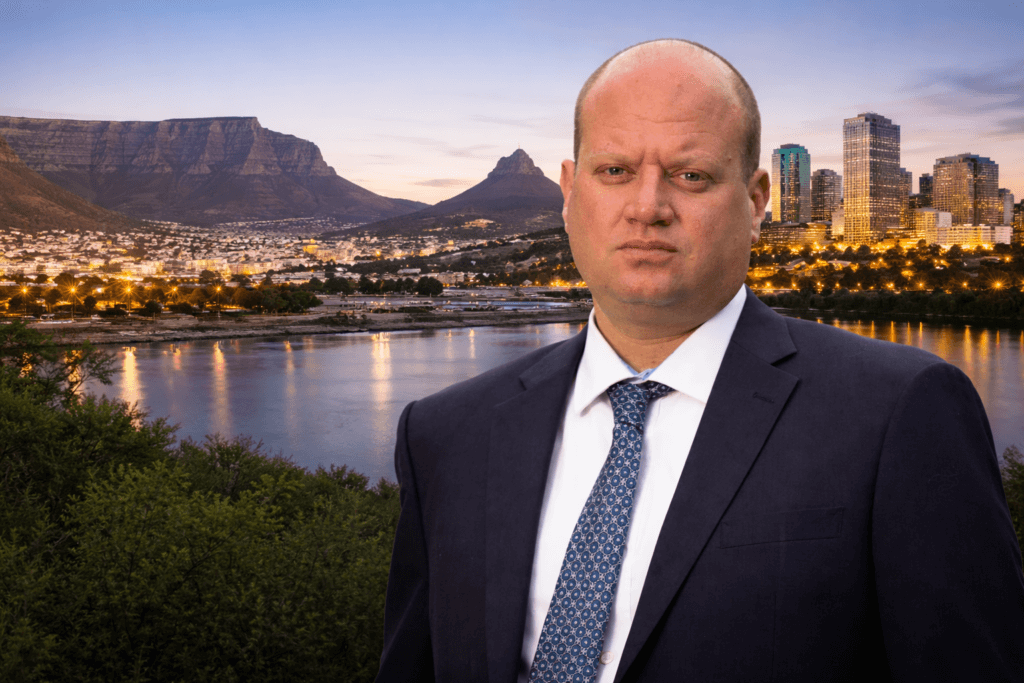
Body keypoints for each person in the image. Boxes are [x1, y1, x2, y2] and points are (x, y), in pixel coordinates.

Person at [376, 39, 1024, 682]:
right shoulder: (446, 435)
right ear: (570, 193)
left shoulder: (900, 414)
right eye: (615, 171)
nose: (648, 207)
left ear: (756, 199)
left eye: (691, 176)